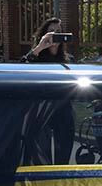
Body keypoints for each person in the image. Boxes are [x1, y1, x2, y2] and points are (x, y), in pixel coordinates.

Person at [21, 17, 76, 164]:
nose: (55, 35)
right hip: (41, 111)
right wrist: (39, 47)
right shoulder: (36, 57)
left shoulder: (68, 60)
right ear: (44, 34)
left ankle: (59, 184)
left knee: (63, 158)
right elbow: (21, 69)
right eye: (51, 31)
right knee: (41, 156)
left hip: (63, 110)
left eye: (58, 32)